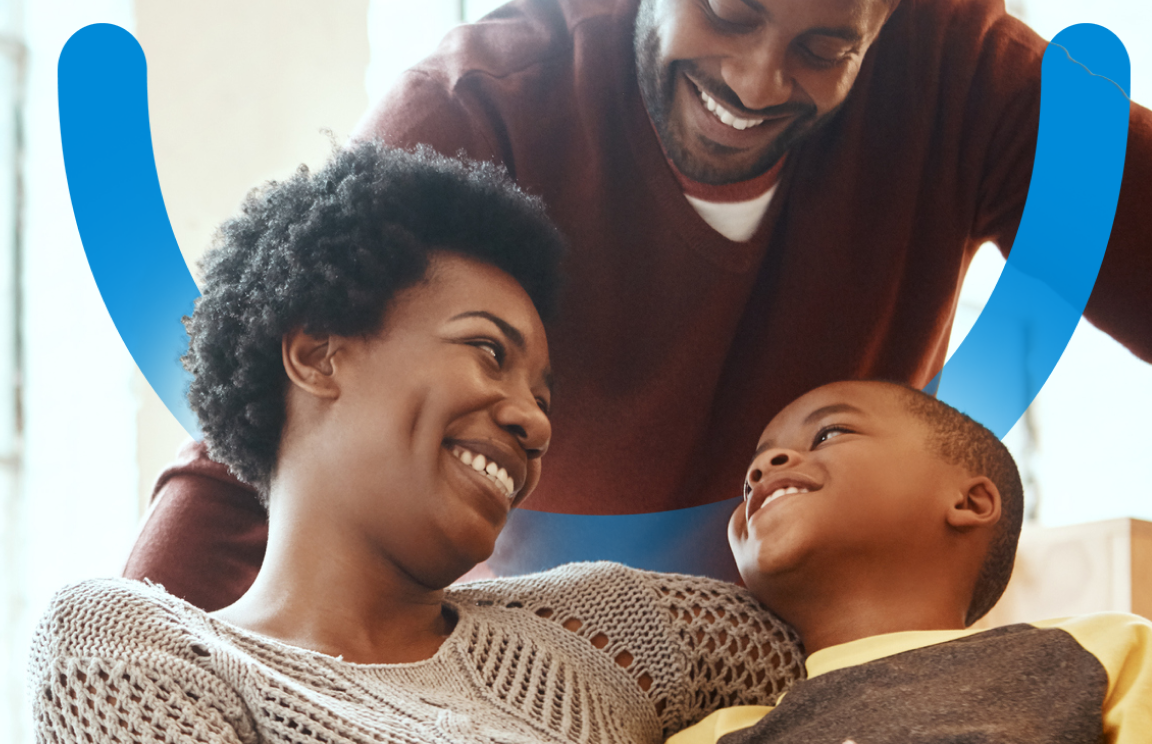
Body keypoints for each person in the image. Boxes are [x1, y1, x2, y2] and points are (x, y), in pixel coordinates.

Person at [124, 0, 1152, 604]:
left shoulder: (964, 78)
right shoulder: (477, 111)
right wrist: (144, 679)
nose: (754, 80)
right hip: (541, 669)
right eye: (727, 9)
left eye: (823, 50)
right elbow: (260, 449)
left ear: (889, 17)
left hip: (833, 661)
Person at [29, 143, 804, 744]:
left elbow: (875, 647)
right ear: (318, 353)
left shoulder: (609, 625)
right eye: (489, 353)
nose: (535, 425)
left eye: (542, 396)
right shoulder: (130, 647)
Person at [669, 380, 1152, 743]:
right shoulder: (713, 733)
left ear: (970, 502)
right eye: (749, 477)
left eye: (828, 433)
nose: (762, 468)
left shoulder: (1103, 650)